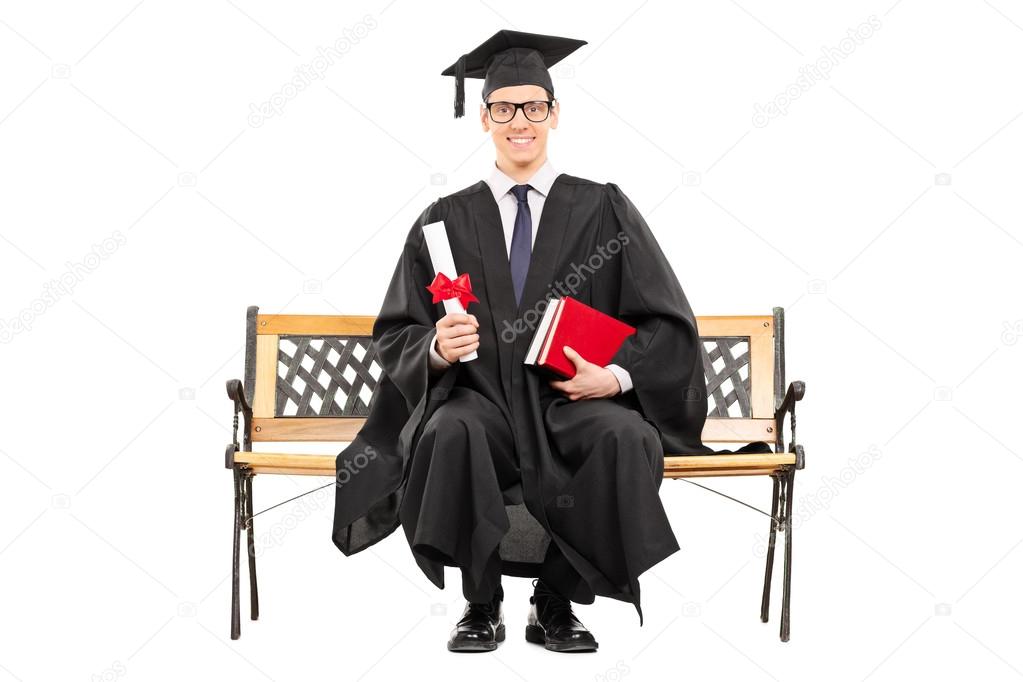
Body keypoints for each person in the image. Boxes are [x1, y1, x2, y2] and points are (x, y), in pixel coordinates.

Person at [331, 29, 765, 653]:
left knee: (624, 435)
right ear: (484, 118)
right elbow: (397, 328)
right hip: (480, 401)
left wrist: (613, 377)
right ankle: (480, 604)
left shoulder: (603, 209)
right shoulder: (443, 220)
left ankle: (556, 601)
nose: (520, 122)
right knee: (453, 430)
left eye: (534, 106)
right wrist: (434, 347)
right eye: (504, 108)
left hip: (570, 403)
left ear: (554, 114)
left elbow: (667, 321)